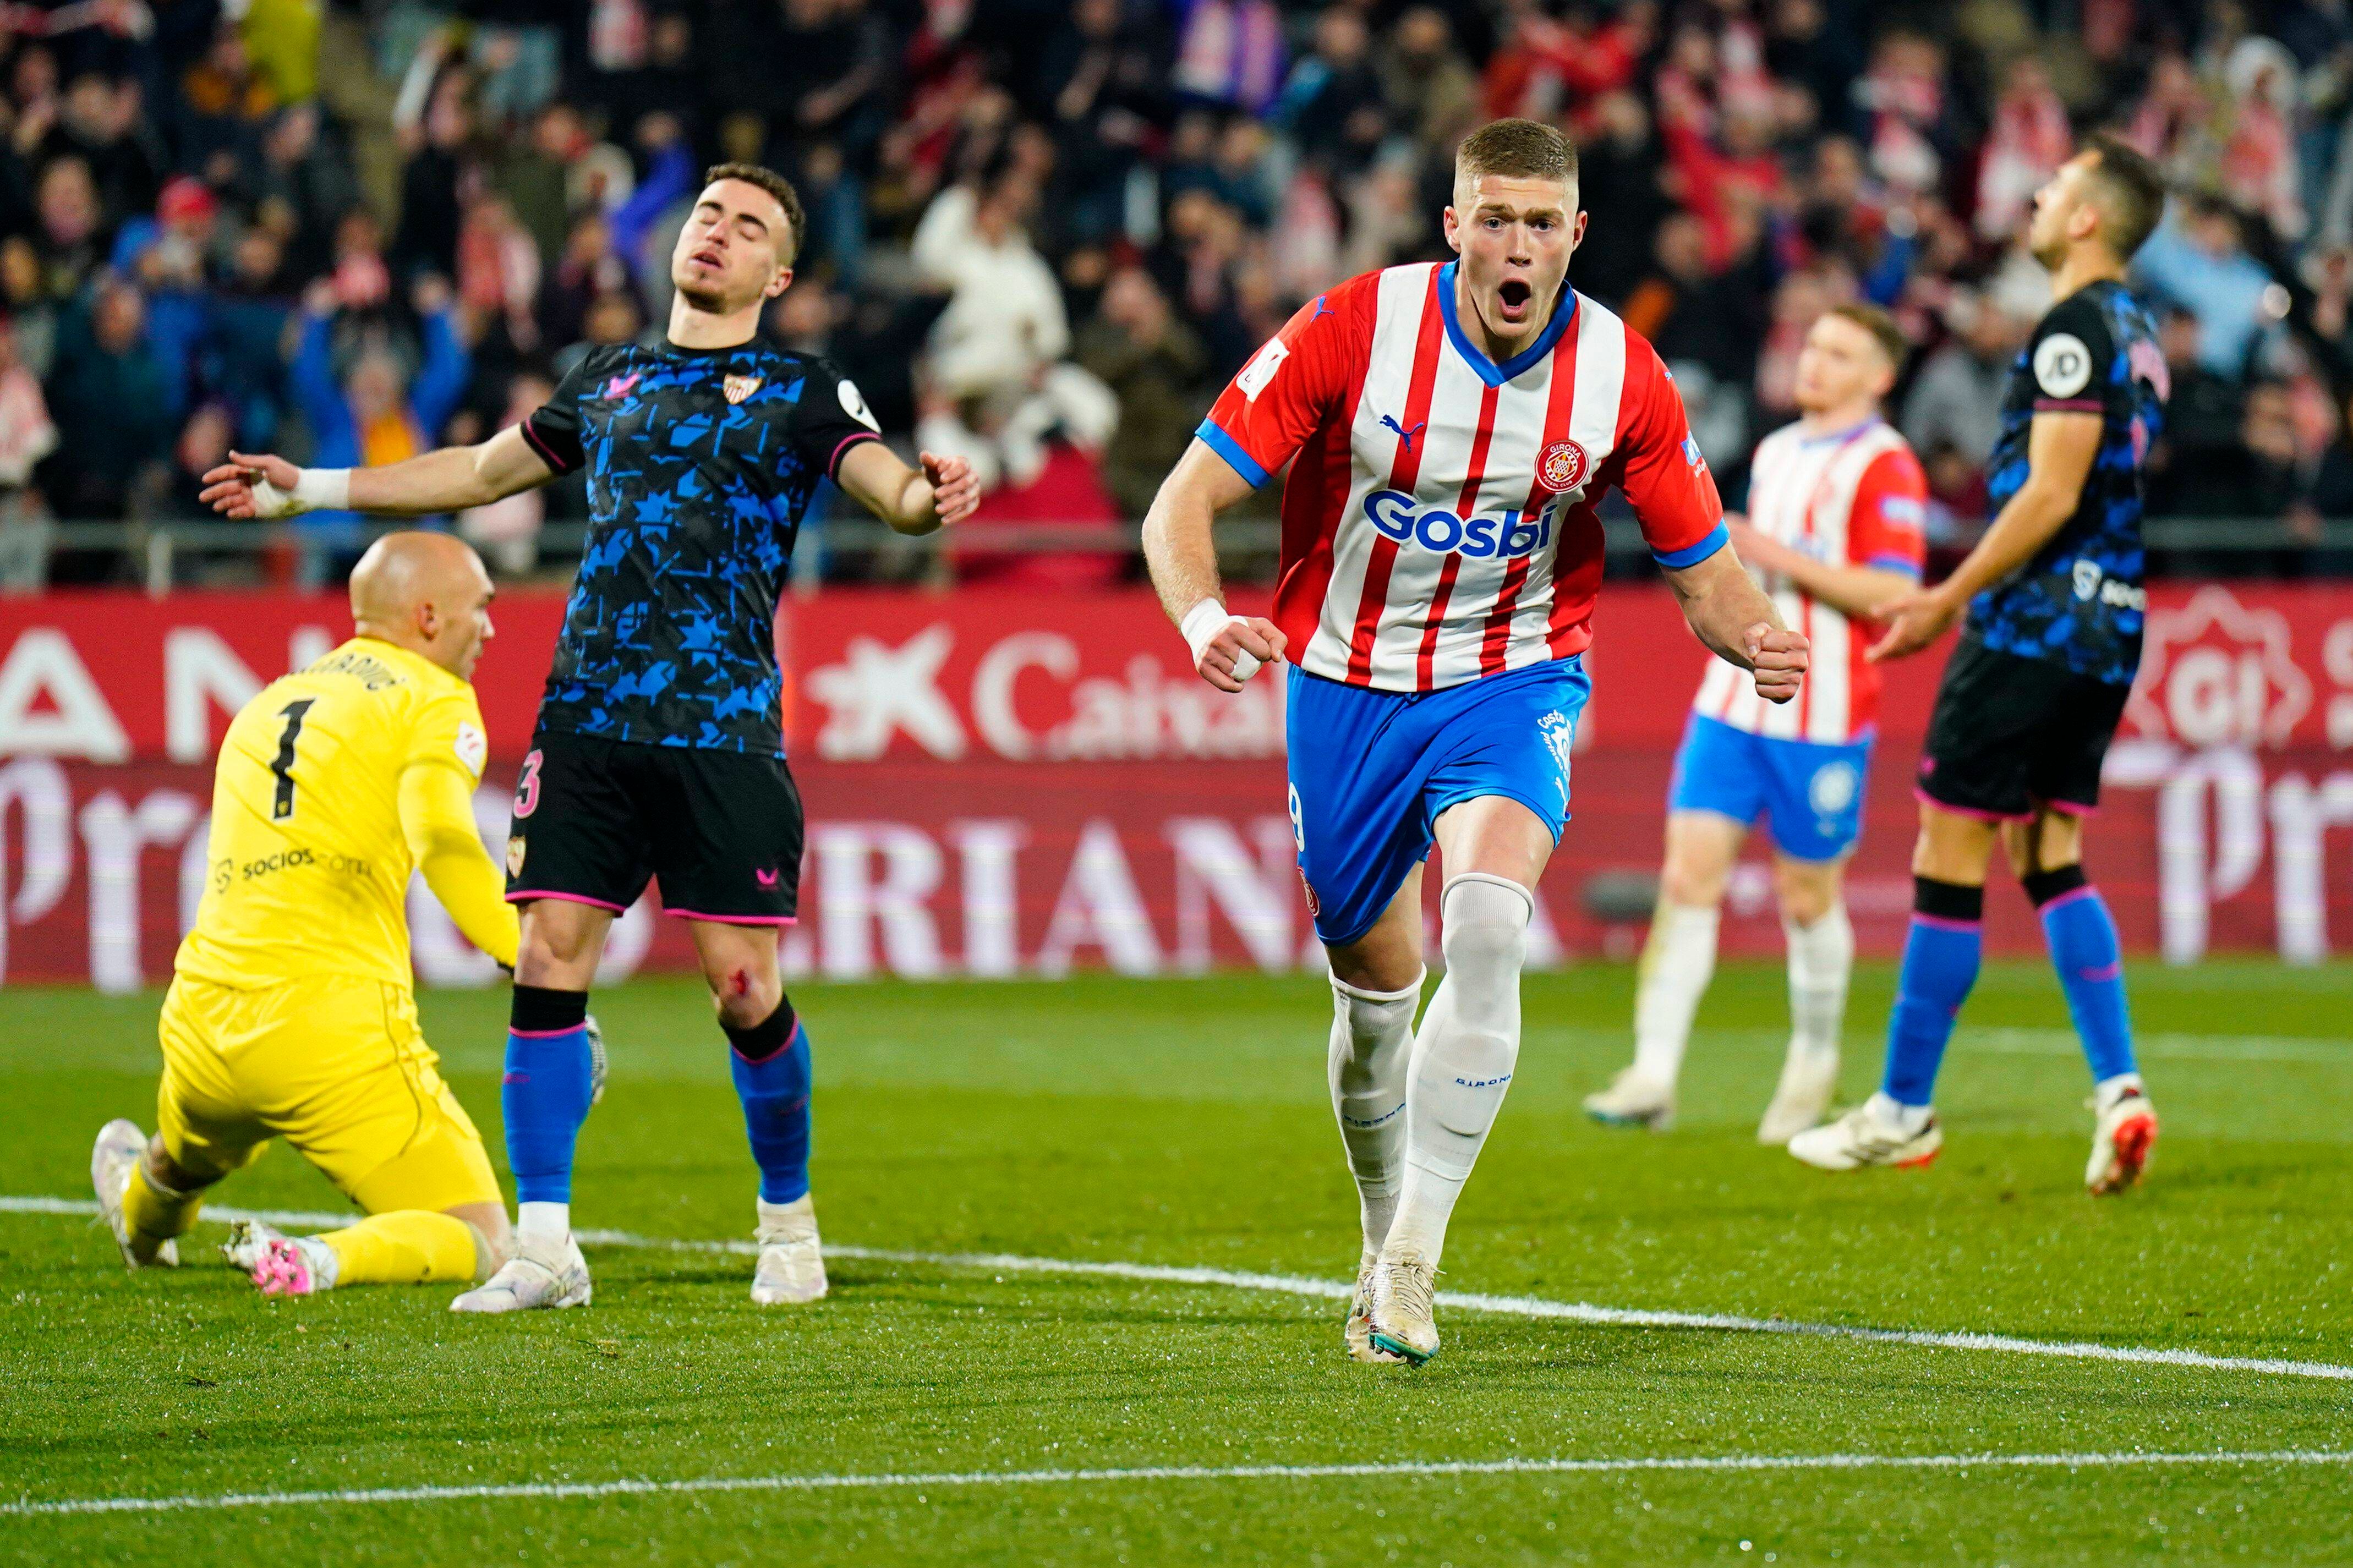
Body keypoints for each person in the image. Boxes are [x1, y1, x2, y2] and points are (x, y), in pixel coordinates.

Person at [197, 163, 982, 1312]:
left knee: (742, 987)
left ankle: (787, 1218)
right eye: (708, 213)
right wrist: (308, 488)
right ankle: (547, 1247)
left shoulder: (801, 388)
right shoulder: (606, 377)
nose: (716, 233)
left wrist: (932, 496)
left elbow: (891, 495)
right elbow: (475, 472)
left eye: (746, 225)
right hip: (586, 721)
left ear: (780, 272)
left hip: (721, 730)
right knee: (550, 956)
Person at [1140, 118, 1808, 1366]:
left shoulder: (1622, 375)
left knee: (1489, 927)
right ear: (1452, 226)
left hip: (1513, 679)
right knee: (1376, 1005)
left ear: (1573, 236)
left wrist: (1757, 637)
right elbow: (1179, 502)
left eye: (1537, 222)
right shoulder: (1354, 327)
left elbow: (1705, 572)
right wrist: (1196, 617)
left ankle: (1413, 1263)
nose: (1514, 243)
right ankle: (1375, 1229)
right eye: (1490, 218)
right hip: (1344, 687)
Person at [1788, 137, 2170, 1194]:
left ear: (2087, 218)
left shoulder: (2074, 327)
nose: (2040, 197)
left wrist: (1945, 599)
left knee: (1949, 848)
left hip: (2032, 626)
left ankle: (1902, 1108)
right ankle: (2120, 1087)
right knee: (2048, 854)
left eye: (2056, 189)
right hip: (2112, 624)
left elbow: (2050, 492)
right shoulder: (2141, 334)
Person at [89, 533, 529, 1298]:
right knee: (490, 1240)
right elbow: (445, 838)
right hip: (334, 1036)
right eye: (480, 607)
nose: (489, 628)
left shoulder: (268, 701)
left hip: (205, 1025)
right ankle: (323, 1258)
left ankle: (141, 1211)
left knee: (183, 1155)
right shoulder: (432, 694)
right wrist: (529, 951)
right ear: (427, 616)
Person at [1585, 304, 1928, 1142]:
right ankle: (1653, 1073)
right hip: (1731, 705)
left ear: (1878, 376)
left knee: (1807, 898)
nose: (1815, 360)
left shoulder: (1886, 465)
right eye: (1813, 342)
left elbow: (1893, 592)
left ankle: (1812, 1063)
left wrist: (1773, 558)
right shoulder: (1774, 451)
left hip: (1825, 713)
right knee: (1686, 878)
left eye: (1840, 351)